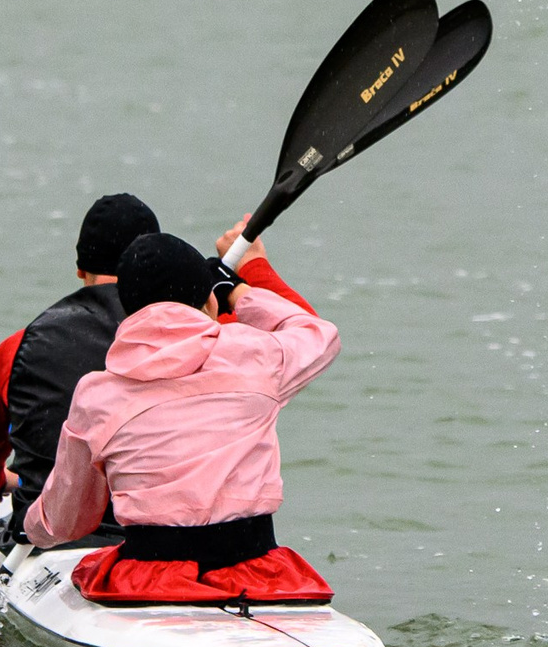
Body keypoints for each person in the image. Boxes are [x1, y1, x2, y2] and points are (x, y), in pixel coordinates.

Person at [0, 200, 315, 545]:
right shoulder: (216, 337)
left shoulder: (20, 347)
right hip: (199, 540)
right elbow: (303, 332)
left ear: (81, 269)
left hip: (66, 538)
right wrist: (251, 270)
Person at [23, 226, 340, 605]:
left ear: (129, 311)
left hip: (147, 579)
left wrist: (34, 530)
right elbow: (317, 333)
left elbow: (68, 521)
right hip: (260, 573)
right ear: (210, 303)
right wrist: (238, 290)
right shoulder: (258, 355)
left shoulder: (97, 394)